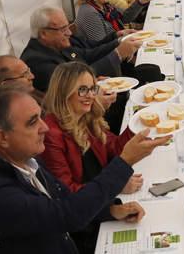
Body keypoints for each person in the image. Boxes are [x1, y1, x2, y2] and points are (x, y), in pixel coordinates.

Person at [0, 85, 168, 254]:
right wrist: (125, 162)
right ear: (2, 138)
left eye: (40, 117)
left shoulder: (21, 157)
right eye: (32, 123)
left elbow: (65, 197)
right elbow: (66, 215)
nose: (44, 127)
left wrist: (110, 210)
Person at [40, 63, 138, 252]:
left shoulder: (86, 118)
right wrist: (115, 190)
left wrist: (138, 122)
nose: (91, 96)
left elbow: (115, 148)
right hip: (85, 227)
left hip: (100, 204)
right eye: (82, 90)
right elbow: (67, 194)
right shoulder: (51, 134)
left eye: (93, 89)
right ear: (64, 92)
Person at [20, 7, 140, 92]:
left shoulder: (57, 44)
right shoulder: (36, 61)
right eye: (63, 29)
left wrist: (118, 41)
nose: (69, 33)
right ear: (44, 33)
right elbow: (74, 83)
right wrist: (117, 54)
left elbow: (89, 54)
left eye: (68, 26)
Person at [74, 0, 139, 42]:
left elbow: (125, 18)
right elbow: (100, 43)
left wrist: (140, 2)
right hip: (113, 46)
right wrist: (122, 38)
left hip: (119, 42)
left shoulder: (105, 6)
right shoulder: (89, 12)